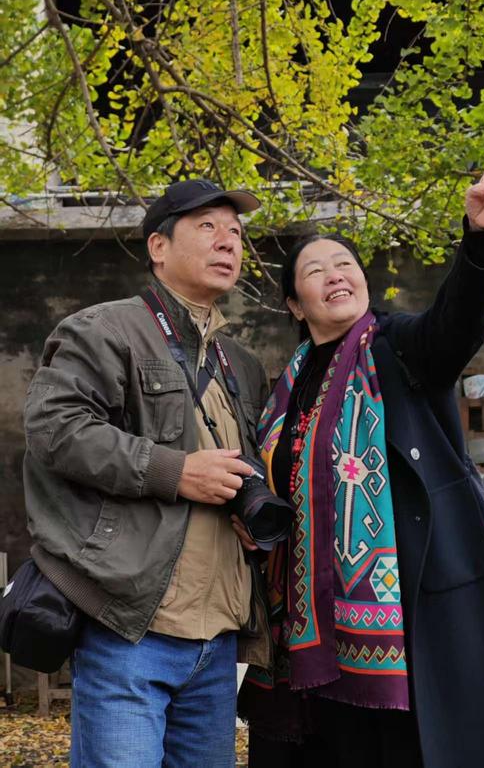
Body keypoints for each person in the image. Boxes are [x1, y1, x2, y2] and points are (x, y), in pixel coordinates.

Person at [237, 137, 484, 768]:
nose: (336, 274)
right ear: (293, 304)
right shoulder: (280, 391)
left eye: (345, 263)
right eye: (316, 271)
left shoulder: (398, 348)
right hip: (306, 630)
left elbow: (457, 321)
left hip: (406, 610)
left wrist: (477, 240)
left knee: (406, 748)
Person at [23, 179, 271, 768]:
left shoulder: (243, 364)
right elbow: (54, 429)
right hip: (130, 626)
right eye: (207, 227)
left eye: (235, 232)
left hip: (217, 640)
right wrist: (173, 471)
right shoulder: (105, 329)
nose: (227, 241)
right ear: (158, 247)